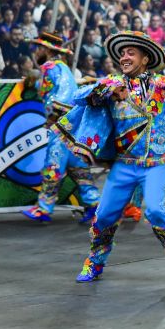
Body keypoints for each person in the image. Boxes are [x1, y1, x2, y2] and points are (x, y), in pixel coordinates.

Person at [54, 30, 165, 287]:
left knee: (155, 211)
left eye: (131, 53)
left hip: (155, 165)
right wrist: (105, 92)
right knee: (105, 214)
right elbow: (78, 97)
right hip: (124, 165)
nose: (124, 58)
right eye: (122, 54)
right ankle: (95, 261)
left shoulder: (164, 85)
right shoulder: (111, 85)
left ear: (145, 59)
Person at [21, 32, 101, 222]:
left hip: (61, 125)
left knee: (53, 165)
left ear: (47, 50)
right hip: (74, 126)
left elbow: (53, 95)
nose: (36, 51)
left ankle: (43, 208)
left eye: (39, 48)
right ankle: (94, 206)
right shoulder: (63, 67)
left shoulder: (50, 67)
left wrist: (51, 114)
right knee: (78, 168)